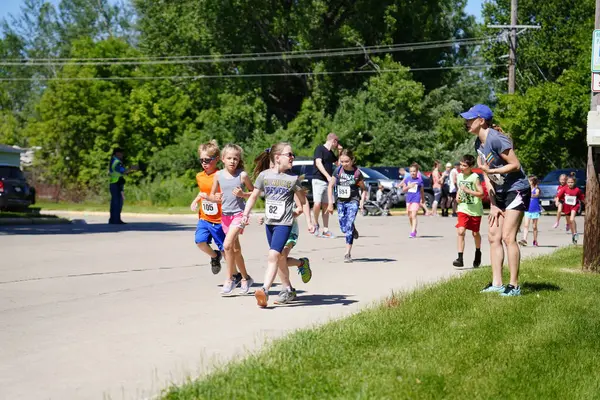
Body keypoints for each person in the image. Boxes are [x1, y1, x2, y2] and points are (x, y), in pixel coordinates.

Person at [461, 104, 530, 297]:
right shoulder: (478, 144)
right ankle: (497, 283)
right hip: (498, 192)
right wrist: (492, 204)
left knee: (508, 237)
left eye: (469, 119)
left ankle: (514, 286)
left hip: (516, 189)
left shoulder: (497, 139)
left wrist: (493, 171)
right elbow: (485, 175)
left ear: (481, 121)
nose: (466, 122)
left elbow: (515, 165)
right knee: (493, 236)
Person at [241, 143, 315, 308]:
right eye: (289, 154)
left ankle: (265, 290)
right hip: (270, 224)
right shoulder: (264, 176)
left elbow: (303, 202)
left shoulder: (292, 179)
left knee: (273, 256)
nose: (292, 157)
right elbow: (253, 197)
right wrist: (246, 215)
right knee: (279, 258)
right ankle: (289, 287)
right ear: (277, 158)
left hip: (285, 224)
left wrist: (310, 222)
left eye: (292, 154)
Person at [209, 144, 254, 295]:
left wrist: (243, 195)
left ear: (239, 160)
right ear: (223, 159)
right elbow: (212, 195)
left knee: (227, 245)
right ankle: (246, 278)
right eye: (229, 158)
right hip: (225, 216)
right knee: (235, 250)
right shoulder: (218, 175)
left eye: (235, 158)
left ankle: (230, 278)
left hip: (239, 215)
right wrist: (215, 198)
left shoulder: (242, 176)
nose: (232, 161)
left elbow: (254, 193)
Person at [190, 141, 227, 276]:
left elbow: (222, 197)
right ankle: (214, 256)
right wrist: (196, 201)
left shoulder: (221, 176)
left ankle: (234, 275)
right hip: (204, 217)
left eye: (207, 160)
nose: (204, 163)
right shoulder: (199, 176)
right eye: (201, 160)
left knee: (225, 249)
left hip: (219, 220)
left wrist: (213, 198)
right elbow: (202, 192)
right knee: (200, 242)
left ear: (217, 159)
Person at [327, 149, 368, 263]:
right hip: (340, 202)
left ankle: (347, 253)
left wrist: (361, 204)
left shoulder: (357, 173)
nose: (344, 164)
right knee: (343, 227)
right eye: (342, 161)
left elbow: (364, 189)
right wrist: (330, 203)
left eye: (346, 161)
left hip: (353, 201)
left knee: (348, 227)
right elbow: (330, 186)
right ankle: (352, 229)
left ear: (352, 160)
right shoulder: (338, 171)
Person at [453, 154, 484, 268]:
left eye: (464, 165)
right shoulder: (460, 176)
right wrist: (458, 196)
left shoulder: (475, 177)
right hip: (463, 208)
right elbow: (460, 189)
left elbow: (481, 194)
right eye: (461, 165)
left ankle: (478, 252)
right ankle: (460, 258)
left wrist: (468, 191)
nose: (461, 167)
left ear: (470, 167)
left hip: (475, 209)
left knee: (475, 233)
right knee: (461, 231)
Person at [312, 133, 342, 238]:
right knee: (317, 204)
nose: (337, 144)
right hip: (318, 180)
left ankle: (325, 229)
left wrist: (339, 151)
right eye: (337, 142)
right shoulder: (320, 149)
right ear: (333, 141)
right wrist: (328, 176)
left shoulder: (330, 153)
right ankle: (315, 224)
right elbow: (318, 163)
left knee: (326, 205)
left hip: (328, 183)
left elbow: (338, 164)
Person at [108, 148, 137, 224]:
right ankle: (116, 220)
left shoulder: (112, 160)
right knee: (117, 202)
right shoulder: (117, 162)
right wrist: (131, 168)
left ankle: (113, 219)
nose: (122, 155)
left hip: (114, 183)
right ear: (117, 153)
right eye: (121, 153)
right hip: (116, 183)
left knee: (114, 202)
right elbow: (123, 171)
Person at [557, 173, 585, 244]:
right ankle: (573, 235)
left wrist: (587, 204)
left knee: (572, 219)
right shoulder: (564, 189)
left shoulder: (577, 190)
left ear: (574, 182)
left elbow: (582, 198)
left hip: (574, 206)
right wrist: (557, 202)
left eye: (572, 182)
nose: (570, 184)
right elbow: (558, 196)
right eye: (569, 182)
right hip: (567, 207)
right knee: (570, 222)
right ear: (566, 182)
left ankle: (575, 233)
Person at [400, 163, 425, 238]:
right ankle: (413, 229)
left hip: (416, 199)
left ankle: (413, 232)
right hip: (409, 199)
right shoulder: (407, 179)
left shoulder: (419, 181)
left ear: (417, 172)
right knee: (410, 216)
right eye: (411, 171)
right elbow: (403, 190)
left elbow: (422, 191)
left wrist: (423, 199)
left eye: (414, 171)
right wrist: (409, 186)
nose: (412, 173)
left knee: (414, 215)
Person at [519, 175, 541, 247]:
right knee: (526, 225)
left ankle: (535, 240)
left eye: (529, 181)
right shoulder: (526, 189)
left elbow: (536, 195)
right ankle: (524, 239)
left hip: (535, 210)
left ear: (532, 182)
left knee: (534, 226)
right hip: (527, 210)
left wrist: (528, 194)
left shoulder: (536, 189)